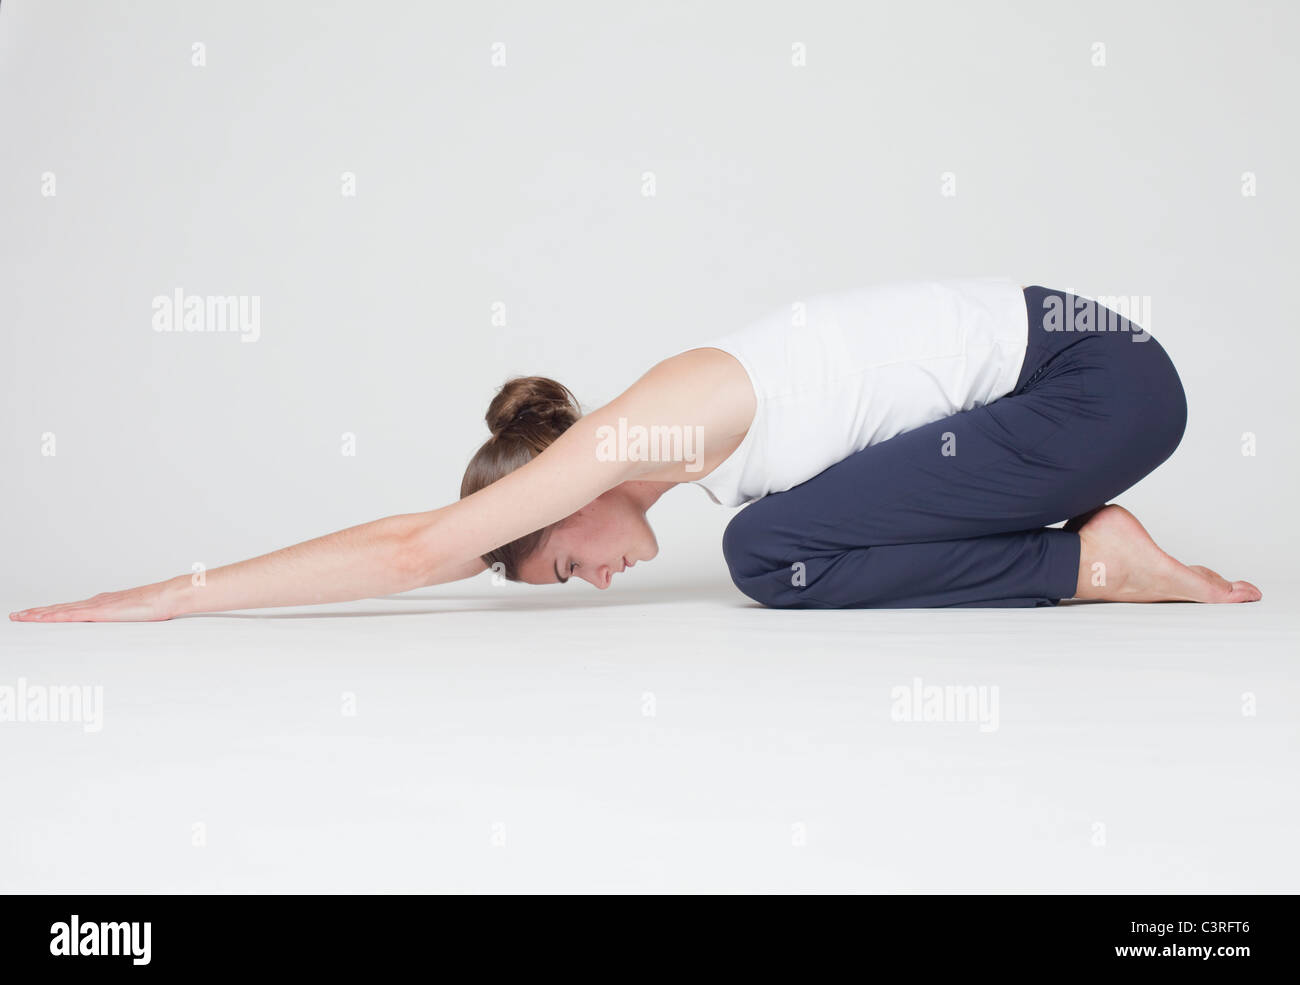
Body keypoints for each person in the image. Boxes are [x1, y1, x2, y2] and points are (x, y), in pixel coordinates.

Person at [9, 278, 1260, 622]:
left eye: (560, 565)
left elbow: (414, 551)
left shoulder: (647, 425)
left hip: (1100, 377)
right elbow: (449, 558)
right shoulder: (689, 445)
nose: (597, 576)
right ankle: (1092, 554)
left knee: (772, 557)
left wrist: (175, 595)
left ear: (557, 501)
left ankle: (1097, 565)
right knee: (777, 539)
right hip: (1090, 371)